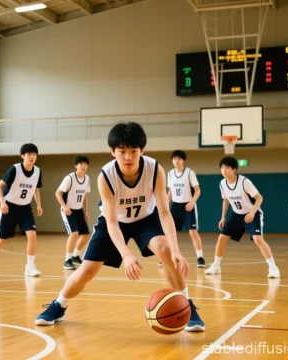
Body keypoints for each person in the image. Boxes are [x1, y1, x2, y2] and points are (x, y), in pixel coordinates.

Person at [35, 122, 205, 332]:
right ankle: (58, 305)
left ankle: (187, 306)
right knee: (87, 271)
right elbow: (112, 222)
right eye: (122, 151)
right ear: (112, 151)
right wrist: (126, 255)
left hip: (146, 218)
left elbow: (163, 212)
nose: (128, 157)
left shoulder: (155, 169)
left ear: (141, 150)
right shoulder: (105, 176)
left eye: (133, 151)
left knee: (167, 251)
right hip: (114, 222)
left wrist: (177, 250)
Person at [205, 157, 280, 279]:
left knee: (258, 239)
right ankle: (216, 265)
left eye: (227, 167)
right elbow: (225, 200)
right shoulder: (222, 184)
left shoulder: (244, 182)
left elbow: (259, 198)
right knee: (221, 238)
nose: (224, 170)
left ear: (234, 169)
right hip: (237, 215)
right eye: (222, 168)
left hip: (253, 213)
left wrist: (251, 213)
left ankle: (273, 267)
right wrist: (223, 217)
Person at [0, 143, 43, 278]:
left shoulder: (37, 171)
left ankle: (30, 266)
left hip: (26, 208)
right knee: (1, 240)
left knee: (32, 235)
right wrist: (2, 202)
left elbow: (36, 189)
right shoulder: (15, 169)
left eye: (34, 154)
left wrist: (38, 204)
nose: (32, 157)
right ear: (23, 156)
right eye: (29, 154)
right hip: (9, 206)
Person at [164, 150, 205, 268]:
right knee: (170, 232)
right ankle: (168, 256)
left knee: (193, 232)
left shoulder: (189, 173)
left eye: (179, 159)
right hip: (175, 206)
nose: (176, 161)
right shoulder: (170, 173)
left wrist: (192, 202)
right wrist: (166, 203)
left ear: (183, 161)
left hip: (188, 206)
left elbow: (198, 190)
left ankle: (200, 257)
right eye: (174, 159)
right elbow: (170, 191)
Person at [56, 156, 90, 270]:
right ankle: (67, 260)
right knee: (74, 233)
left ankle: (75, 256)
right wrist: (64, 207)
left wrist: (86, 211)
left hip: (79, 210)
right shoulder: (69, 178)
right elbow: (58, 193)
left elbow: (85, 195)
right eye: (80, 164)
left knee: (85, 235)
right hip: (68, 210)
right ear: (76, 166)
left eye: (85, 164)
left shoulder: (87, 178)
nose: (83, 166)